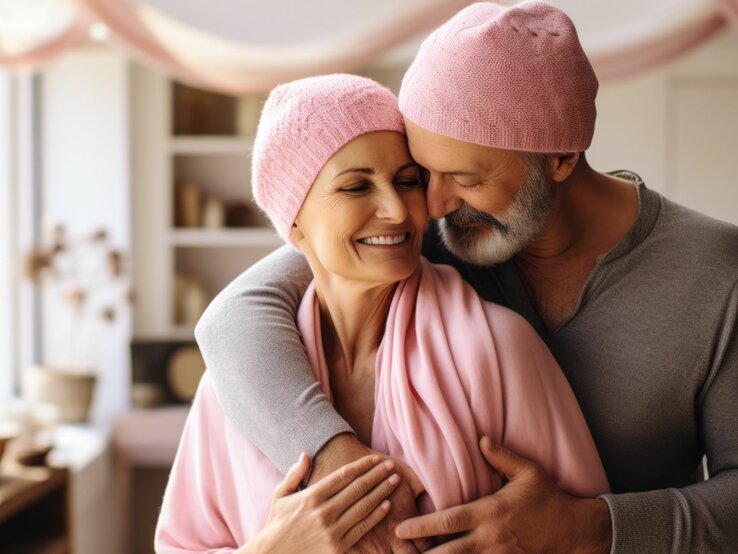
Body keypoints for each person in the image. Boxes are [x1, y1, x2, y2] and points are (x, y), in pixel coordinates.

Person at [196, 3, 738, 553]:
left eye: (463, 177)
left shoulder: (717, 272)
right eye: (422, 174)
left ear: (562, 158)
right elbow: (233, 317)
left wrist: (589, 527)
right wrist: (337, 462)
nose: (429, 204)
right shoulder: (429, 233)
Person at [155, 74, 609, 554]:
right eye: (355, 187)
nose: (397, 209)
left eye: (407, 181)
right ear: (293, 221)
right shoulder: (234, 387)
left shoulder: (496, 349)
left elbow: (585, 534)